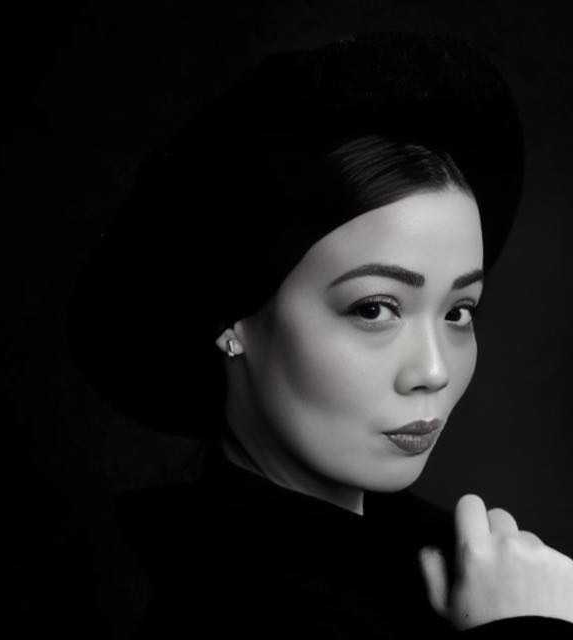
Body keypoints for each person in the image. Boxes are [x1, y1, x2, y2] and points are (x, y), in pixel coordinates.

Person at [67, 32, 573, 637]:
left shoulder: (453, 563)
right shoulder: (223, 616)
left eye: (458, 312)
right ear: (232, 321)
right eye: (375, 309)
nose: (434, 371)